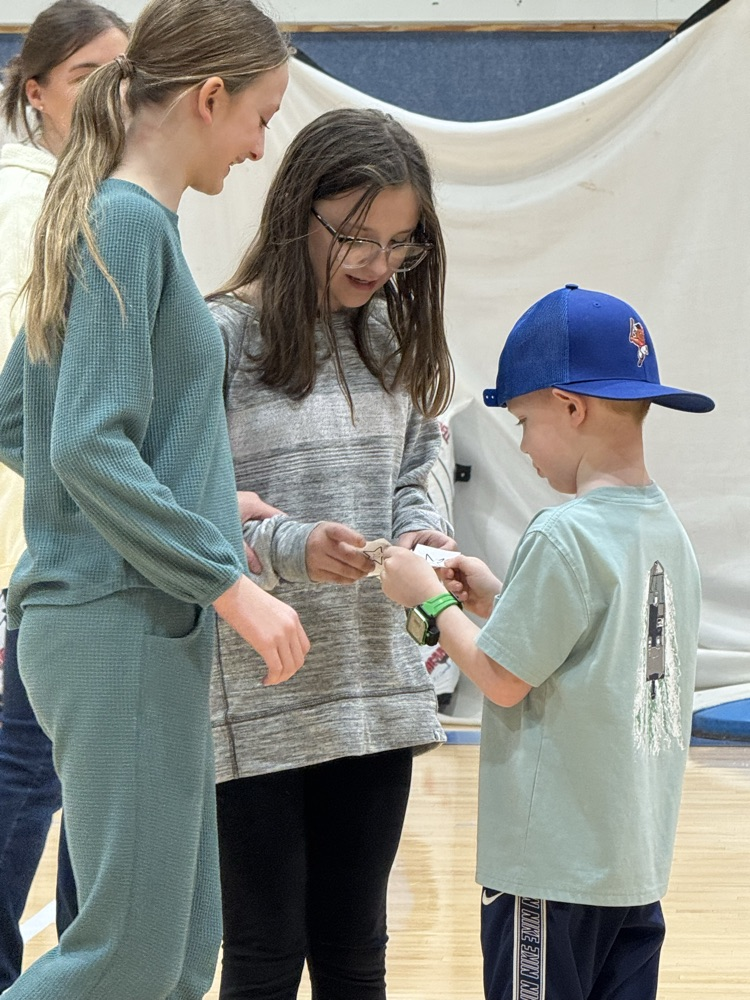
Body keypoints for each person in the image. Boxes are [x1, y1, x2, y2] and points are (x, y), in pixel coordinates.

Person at [0, 0, 310, 996]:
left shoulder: (124, 221)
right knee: (126, 952)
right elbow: (88, 447)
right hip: (111, 618)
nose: (263, 146)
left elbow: (23, 412)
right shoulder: (125, 221)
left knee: (180, 954)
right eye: (261, 115)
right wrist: (227, 576)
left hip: (136, 616)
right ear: (209, 98)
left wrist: (204, 498)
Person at [380, 283, 714, 1000]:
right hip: (633, 870)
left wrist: (430, 598)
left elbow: (501, 678)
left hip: (551, 871)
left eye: (524, 421)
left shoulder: (564, 533)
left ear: (570, 406)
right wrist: (499, 595)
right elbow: (602, 642)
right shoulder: (667, 532)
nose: (524, 445)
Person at [207, 107, 454, 1000]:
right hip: (257, 701)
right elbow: (186, 514)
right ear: (296, 212)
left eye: (399, 243)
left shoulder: (394, 339)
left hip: (375, 694)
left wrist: (425, 534)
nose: (376, 262)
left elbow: (420, 469)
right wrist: (287, 548)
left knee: (357, 955)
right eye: (354, 235)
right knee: (265, 958)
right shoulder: (220, 336)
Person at [0, 4, 129, 987]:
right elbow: (23, 407)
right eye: (89, 73)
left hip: (67, 557)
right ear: (33, 87)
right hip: (49, 559)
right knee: (41, 786)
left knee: (65, 787)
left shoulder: (104, 203)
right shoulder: (46, 209)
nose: (110, 94)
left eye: (126, 74)